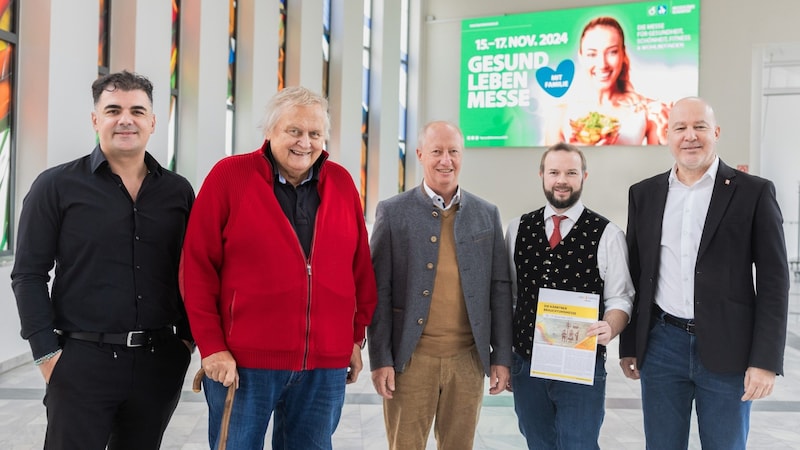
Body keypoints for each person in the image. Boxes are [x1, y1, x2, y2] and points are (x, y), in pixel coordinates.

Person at [180, 86, 377, 449]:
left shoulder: (342, 183)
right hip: (243, 365)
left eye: (315, 133)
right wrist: (211, 346)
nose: (305, 142)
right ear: (270, 131)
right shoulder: (229, 177)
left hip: (324, 366)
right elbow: (196, 268)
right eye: (294, 131)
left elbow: (360, 270)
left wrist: (353, 337)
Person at [10, 70, 195, 450]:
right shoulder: (56, 187)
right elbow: (28, 274)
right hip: (82, 362)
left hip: (159, 362)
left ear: (153, 122)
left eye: (137, 111)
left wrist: (187, 342)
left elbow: (192, 270)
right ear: (96, 120)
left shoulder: (177, 191)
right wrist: (47, 354)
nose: (125, 119)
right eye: (113, 109)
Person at [619, 97, 790, 449]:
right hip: (662, 346)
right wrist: (630, 344)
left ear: (716, 132)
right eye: (680, 128)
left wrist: (765, 361)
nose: (690, 136)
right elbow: (637, 274)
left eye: (699, 126)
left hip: (729, 350)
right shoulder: (644, 194)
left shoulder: (753, 192)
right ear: (667, 135)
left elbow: (774, 282)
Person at [368, 120, 513, 449]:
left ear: (463, 156)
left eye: (453, 152)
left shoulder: (486, 214)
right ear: (420, 154)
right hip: (411, 362)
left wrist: (501, 356)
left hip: (467, 362)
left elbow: (500, 291)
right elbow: (378, 291)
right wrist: (381, 360)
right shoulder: (392, 213)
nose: (445, 160)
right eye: (436, 152)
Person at [505, 142, 634, 449]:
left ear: (583, 177)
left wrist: (611, 326)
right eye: (554, 172)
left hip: (581, 365)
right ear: (542, 175)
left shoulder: (608, 234)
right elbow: (510, 297)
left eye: (571, 172)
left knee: (579, 444)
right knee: (538, 443)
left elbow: (621, 298)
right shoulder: (516, 229)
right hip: (527, 364)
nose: (561, 179)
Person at [545, 16, 670, 146]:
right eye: (592, 54)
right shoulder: (559, 115)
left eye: (612, 52)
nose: (602, 64)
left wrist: (667, 138)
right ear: (581, 57)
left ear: (623, 53)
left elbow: (660, 164)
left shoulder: (647, 110)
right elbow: (551, 165)